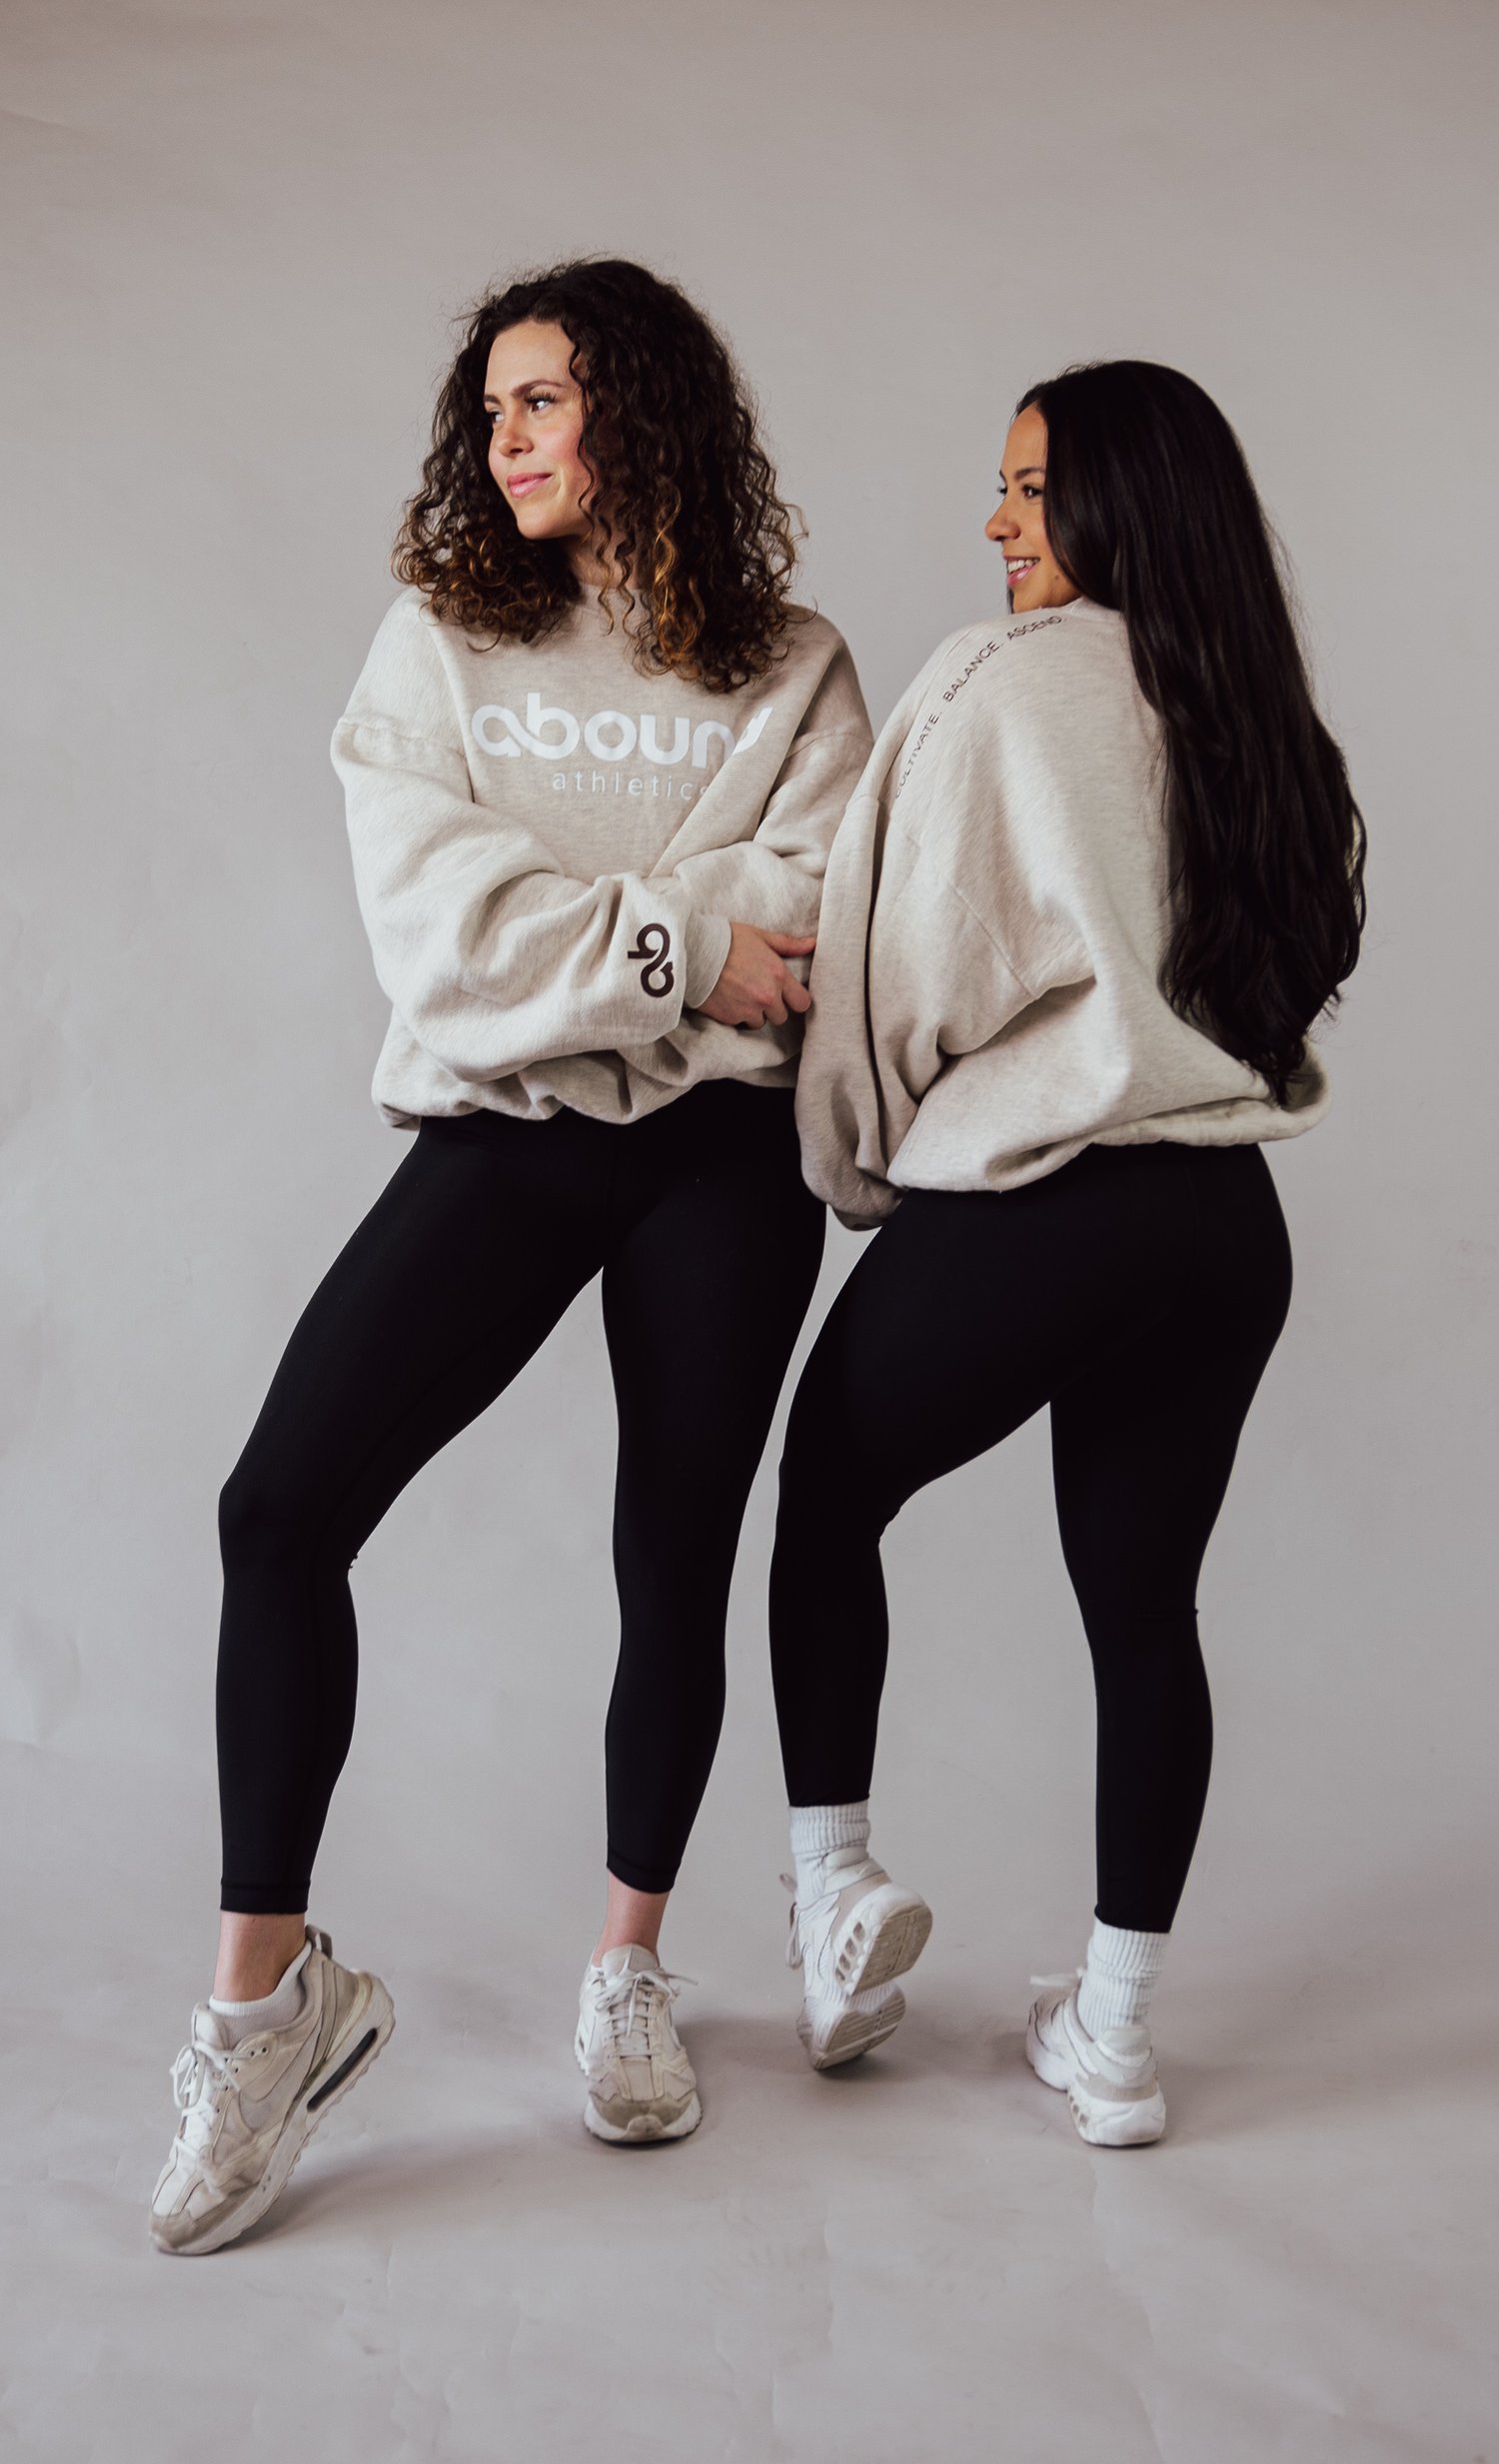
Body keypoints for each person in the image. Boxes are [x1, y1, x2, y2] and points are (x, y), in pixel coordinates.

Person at [149, 258, 872, 2254]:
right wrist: (680, 940)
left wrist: (601, 931)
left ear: (641, 408)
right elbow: (444, 936)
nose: (507, 438)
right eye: (490, 410)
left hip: (722, 1158)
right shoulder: (440, 646)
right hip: (511, 1134)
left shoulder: (797, 669)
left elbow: (811, 917)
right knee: (280, 1508)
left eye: (542, 399)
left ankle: (631, 1963)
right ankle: (268, 2010)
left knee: (674, 1549)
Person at [767, 361, 1365, 2143]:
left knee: (824, 1493)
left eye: (1029, 489)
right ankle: (1113, 2035)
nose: (996, 523)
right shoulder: (1255, 709)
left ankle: (835, 1899)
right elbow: (1297, 967)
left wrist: (859, 1167)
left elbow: (895, 970)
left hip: (1051, 1199)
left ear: (1118, 502)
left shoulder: (998, 681)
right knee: (1144, 1608)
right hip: (1225, 1223)